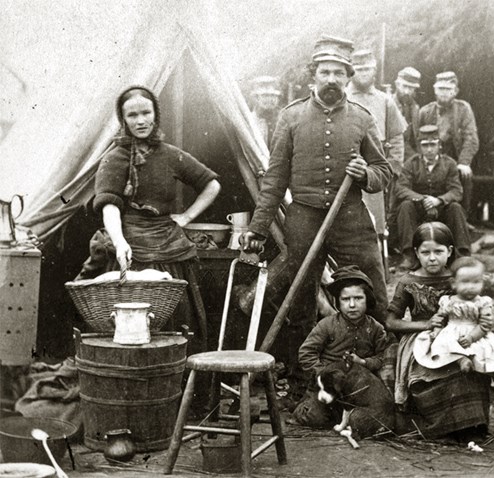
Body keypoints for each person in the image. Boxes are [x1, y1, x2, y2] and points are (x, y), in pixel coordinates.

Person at [240, 35, 392, 368]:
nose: (332, 79)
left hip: (350, 216)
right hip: (303, 219)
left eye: (339, 73)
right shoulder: (290, 117)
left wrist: (366, 173)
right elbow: (275, 179)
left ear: (348, 78)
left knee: (375, 289)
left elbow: (385, 171)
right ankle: (301, 378)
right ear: (314, 75)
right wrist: (258, 227)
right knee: (299, 298)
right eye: (325, 72)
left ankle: (380, 369)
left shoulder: (362, 118)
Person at [78, 85, 221, 351]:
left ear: (156, 114)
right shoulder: (113, 159)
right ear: (123, 120)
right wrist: (119, 242)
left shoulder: (170, 155)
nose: (141, 120)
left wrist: (187, 216)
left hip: (170, 250)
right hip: (130, 250)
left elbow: (211, 184)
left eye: (146, 112)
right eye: (132, 115)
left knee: (179, 322)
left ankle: (180, 387)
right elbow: (110, 207)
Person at [384, 222, 491, 438]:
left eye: (439, 251)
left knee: (469, 368)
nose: (432, 258)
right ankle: (437, 426)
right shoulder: (408, 281)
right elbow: (391, 322)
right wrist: (425, 324)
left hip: (459, 334)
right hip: (421, 339)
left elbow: (477, 307)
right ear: (416, 253)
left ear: (450, 251)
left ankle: (471, 425)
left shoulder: (459, 277)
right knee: (437, 372)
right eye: (425, 252)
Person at [413, 257, 494, 401]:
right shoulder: (448, 301)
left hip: (475, 334)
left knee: (487, 355)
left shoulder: (483, 302)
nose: (471, 287)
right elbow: (440, 318)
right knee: (441, 346)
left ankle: (493, 374)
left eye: (476, 282)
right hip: (451, 332)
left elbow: (485, 325)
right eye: (465, 282)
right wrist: (436, 331)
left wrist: (471, 338)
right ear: (454, 284)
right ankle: (461, 360)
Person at [292, 265, 391, 427]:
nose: (352, 305)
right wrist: (323, 374)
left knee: (367, 418)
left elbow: (381, 357)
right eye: (345, 299)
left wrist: (365, 363)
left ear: (368, 300)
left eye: (358, 298)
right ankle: (302, 407)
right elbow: (306, 352)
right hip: (327, 388)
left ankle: (343, 416)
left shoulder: (375, 329)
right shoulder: (327, 325)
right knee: (315, 418)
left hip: (357, 389)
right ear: (338, 301)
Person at [346, 49, 407, 236]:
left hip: (375, 168)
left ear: (374, 71)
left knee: (375, 225)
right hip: (346, 165)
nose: (363, 73)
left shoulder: (385, 100)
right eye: (359, 69)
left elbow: (396, 136)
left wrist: (393, 168)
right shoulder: (342, 98)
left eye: (367, 69)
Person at [395, 125, 471, 267]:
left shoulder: (449, 164)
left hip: (442, 209)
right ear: (419, 147)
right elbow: (401, 188)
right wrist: (422, 199)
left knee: (455, 207)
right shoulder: (411, 164)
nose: (429, 149)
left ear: (439, 145)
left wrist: (439, 200)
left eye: (432, 145)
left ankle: (462, 255)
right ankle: (410, 256)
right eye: (425, 145)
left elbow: (456, 191)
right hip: (418, 209)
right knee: (405, 206)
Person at [418, 71, 479, 213]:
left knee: (464, 175)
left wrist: (464, 162)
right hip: (429, 157)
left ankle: (462, 216)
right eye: (440, 89)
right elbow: (416, 138)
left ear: (455, 91)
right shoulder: (425, 111)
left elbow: (471, 137)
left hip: (454, 158)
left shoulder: (463, 109)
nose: (444, 93)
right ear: (435, 90)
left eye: (448, 89)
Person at [393, 67, 422, 158]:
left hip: (410, 155)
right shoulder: (388, 105)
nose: (407, 92)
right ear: (397, 84)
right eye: (404, 86)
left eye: (411, 88)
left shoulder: (415, 108)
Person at [250, 75, 282, 147]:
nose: (270, 100)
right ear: (256, 98)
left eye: (273, 96)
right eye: (265, 96)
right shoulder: (250, 121)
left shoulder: (283, 119)